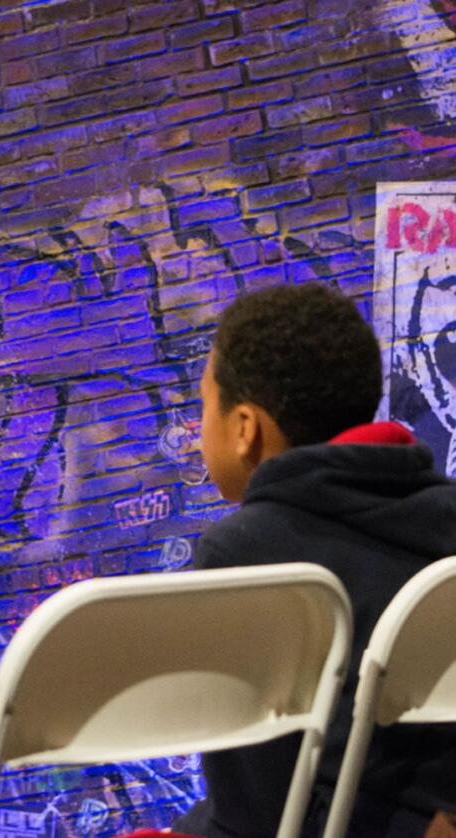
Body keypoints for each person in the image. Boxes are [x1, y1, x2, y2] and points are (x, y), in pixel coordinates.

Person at [172, 283, 456, 837]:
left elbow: (257, 815)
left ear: (245, 430)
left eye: (205, 405)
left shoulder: (243, 554)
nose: (196, 427)